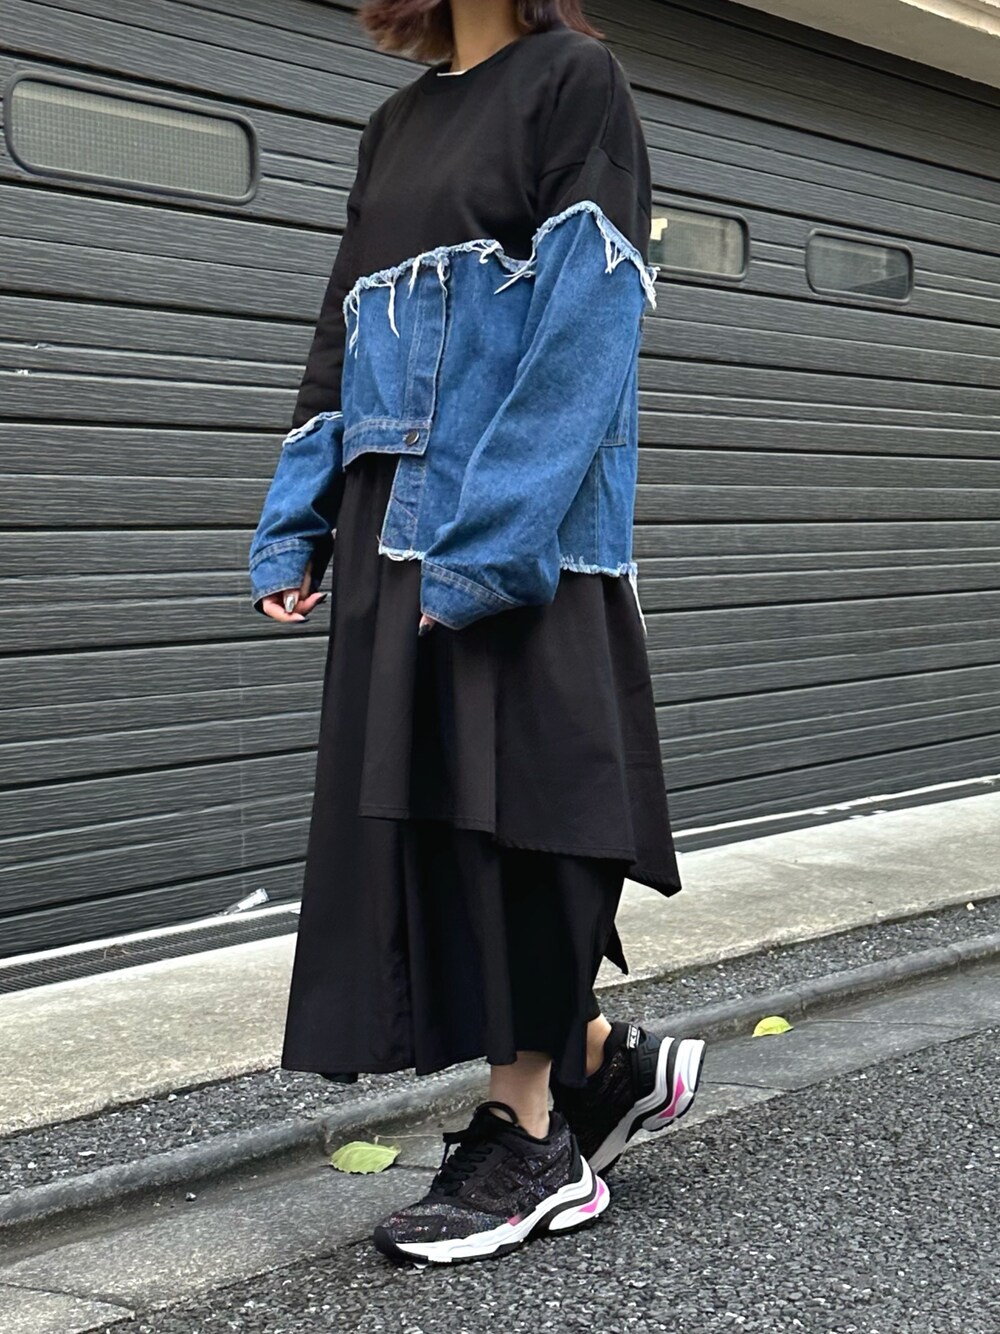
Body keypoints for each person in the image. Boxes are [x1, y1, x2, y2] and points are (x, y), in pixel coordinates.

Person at [248, 0, 705, 1266]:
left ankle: (532, 1137)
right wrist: (296, 518)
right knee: (434, 818)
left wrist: (496, 536)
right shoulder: (395, 123)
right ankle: (600, 1060)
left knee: (523, 818)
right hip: (389, 521)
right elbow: (342, 332)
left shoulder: (575, 81)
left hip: (520, 527)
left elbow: (587, 321)